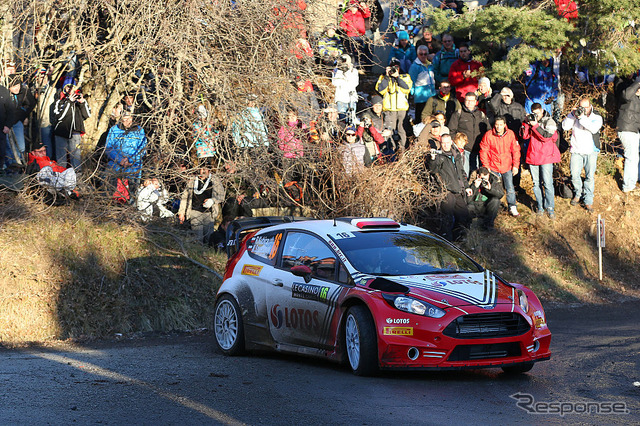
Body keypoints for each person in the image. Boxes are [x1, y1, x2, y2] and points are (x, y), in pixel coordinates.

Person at [427, 133, 472, 241]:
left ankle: (460, 238)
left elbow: (462, 172)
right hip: (447, 191)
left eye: (447, 142)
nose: (446, 145)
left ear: (451, 142)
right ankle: (447, 241)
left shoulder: (455, 154)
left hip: (458, 189)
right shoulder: (438, 156)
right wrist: (432, 159)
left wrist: (466, 187)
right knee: (446, 217)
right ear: (440, 143)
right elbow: (433, 170)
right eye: (443, 143)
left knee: (464, 215)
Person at [562, 97, 603, 212]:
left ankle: (588, 200)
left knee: (589, 177)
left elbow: (593, 129)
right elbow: (565, 126)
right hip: (576, 150)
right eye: (581, 107)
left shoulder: (597, 117)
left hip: (591, 151)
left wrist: (581, 117)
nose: (583, 110)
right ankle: (578, 194)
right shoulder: (575, 115)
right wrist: (572, 115)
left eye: (585, 107)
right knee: (574, 175)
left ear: (590, 106)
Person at [521, 103, 560, 218]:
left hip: (547, 156)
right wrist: (526, 123)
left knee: (548, 183)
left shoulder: (550, 122)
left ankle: (550, 207)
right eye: (534, 114)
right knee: (536, 183)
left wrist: (535, 125)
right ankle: (540, 206)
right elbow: (525, 136)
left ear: (542, 111)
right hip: (533, 156)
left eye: (537, 113)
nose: (536, 116)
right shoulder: (531, 121)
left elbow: (546, 137)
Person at [479, 116, 521, 217]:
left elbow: (515, 150)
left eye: (501, 125)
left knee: (509, 187)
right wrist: (486, 166)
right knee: (492, 187)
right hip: (493, 166)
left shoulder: (510, 134)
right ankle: (491, 207)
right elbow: (483, 150)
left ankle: (512, 206)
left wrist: (515, 165)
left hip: (507, 165)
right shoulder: (489, 135)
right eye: (497, 125)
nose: (498, 127)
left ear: (504, 125)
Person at [178, 167, 225, 243]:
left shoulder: (215, 180)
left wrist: (212, 200)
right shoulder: (192, 180)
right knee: (197, 237)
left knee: (209, 237)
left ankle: (209, 253)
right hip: (194, 212)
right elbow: (185, 197)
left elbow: (221, 196)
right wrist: (181, 212)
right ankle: (198, 253)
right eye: (201, 169)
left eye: (205, 169)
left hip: (209, 213)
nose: (203, 171)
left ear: (209, 170)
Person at [375, 58, 412, 156]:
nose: (394, 69)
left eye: (396, 67)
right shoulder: (383, 77)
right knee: (389, 130)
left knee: (401, 130)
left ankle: (402, 149)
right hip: (389, 109)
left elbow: (407, 89)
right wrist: (387, 77)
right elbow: (379, 90)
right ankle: (390, 149)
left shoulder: (405, 76)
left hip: (401, 109)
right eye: (392, 67)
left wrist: (397, 77)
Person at [105, 110, 147, 195]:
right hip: (115, 163)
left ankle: (130, 204)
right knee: (108, 182)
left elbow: (142, 149)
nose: (126, 122)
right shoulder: (114, 130)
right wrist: (119, 159)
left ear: (131, 118)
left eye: (128, 119)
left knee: (132, 189)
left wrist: (131, 160)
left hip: (133, 164)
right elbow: (108, 148)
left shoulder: (139, 131)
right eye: (123, 120)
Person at [449, 91, 489, 177]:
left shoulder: (481, 114)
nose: (470, 102)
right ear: (464, 101)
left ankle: (476, 190)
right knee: (464, 174)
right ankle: (464, 190)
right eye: (467, 100)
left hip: (479, 150)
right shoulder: (458, 114)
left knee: (478, 174)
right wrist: (457, 146)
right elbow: (451, 131)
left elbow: (488, 131)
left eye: (472, 100)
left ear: (476, 102)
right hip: (464, 150)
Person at [52, 83, 91, 172]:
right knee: (61, 159)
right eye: (67, 87)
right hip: (61, 132)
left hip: (75, 133)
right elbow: (60, 117)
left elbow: (87, 115)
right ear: (64, 88)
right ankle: (60, 178)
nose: (70, 89)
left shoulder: (79, 101)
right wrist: (69, 102)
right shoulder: (60, 101)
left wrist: (82, 102)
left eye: (72, 87)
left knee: (76, 159)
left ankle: (77, 179)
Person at [616, 76, 640, 194]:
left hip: (634, 129)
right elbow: (626, 95)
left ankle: (633, 181)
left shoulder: (635, 96)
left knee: (634, 157)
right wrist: (638, 82)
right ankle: (628, 185)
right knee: (632, 157)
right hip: (627, 128)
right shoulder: (623, 86)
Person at [6, 74, 36, 165]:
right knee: (8, 145)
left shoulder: (24, 91)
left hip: (17, 121)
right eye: (14, 86)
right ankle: (9, 164)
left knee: (21, 145)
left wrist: (22, 115)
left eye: (18, 85)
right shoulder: (4, 94)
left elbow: (31, 104)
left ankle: (19, 162)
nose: (16, 88)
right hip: (6, 124)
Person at [356, 95, 388, 161]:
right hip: (372, 144)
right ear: (372, 106)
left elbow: (389, 126)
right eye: (375, 105)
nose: (377, 108)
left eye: (379, 105)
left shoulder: (384, 116)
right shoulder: (368, 115)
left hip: (384, 143)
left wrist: (389, 131)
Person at [339, 0, 371, 67]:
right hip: (351, 35)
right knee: (352, 51)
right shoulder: (346, 15)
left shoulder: (360, 13)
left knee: (361, 50)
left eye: (355, 8)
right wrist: (347, 29)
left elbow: (367, 14)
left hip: (360, 34)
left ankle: (360, 64)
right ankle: (353, 64)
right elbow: (342, 24)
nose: (354, 9)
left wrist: (364, 7)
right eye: (352, 8)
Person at [409, 45, 436, 121]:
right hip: (420, 97)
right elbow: (411, 81)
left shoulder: (430, 65)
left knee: (431, 116)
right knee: (420, 117)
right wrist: (412, 93)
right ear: (417, 55)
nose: (423, 56)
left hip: (431, 95)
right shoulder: (414, 66)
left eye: (425, 54)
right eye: (421, 54)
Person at [332, 54, 359, 124]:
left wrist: (348, 71)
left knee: (351, 121)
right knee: (342, 121)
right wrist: (340, 71)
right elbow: (335, 83)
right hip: (341, 99)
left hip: (351, 99)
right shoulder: (336, 71)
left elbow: (354, 83)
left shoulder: (354, 71)